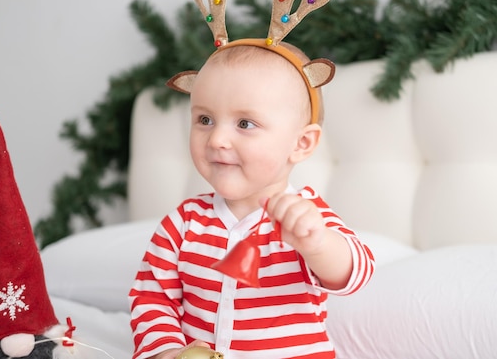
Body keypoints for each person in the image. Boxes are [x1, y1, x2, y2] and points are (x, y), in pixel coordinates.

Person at [128, 41, 375, 359]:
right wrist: (167, 351)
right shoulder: (183, 223)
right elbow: (153, 298)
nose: (217, 139)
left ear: (301, 143)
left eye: (245, 124)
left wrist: (318, 245)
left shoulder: (305, 218)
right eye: (205, 120)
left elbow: (356, 273)